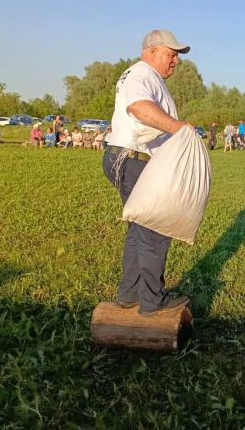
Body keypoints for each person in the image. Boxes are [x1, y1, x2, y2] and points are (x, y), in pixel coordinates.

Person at [103, 29, 192, 317]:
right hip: (134, 160)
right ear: (152, 51)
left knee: (140, 228)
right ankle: (153, 301)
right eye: (171, 54)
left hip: (128, 159)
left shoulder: (144, 75)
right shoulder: (142, 74)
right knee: (156, 228)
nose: (175, 61)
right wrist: (179, 128)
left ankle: (130, 295)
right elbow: (139, 108)